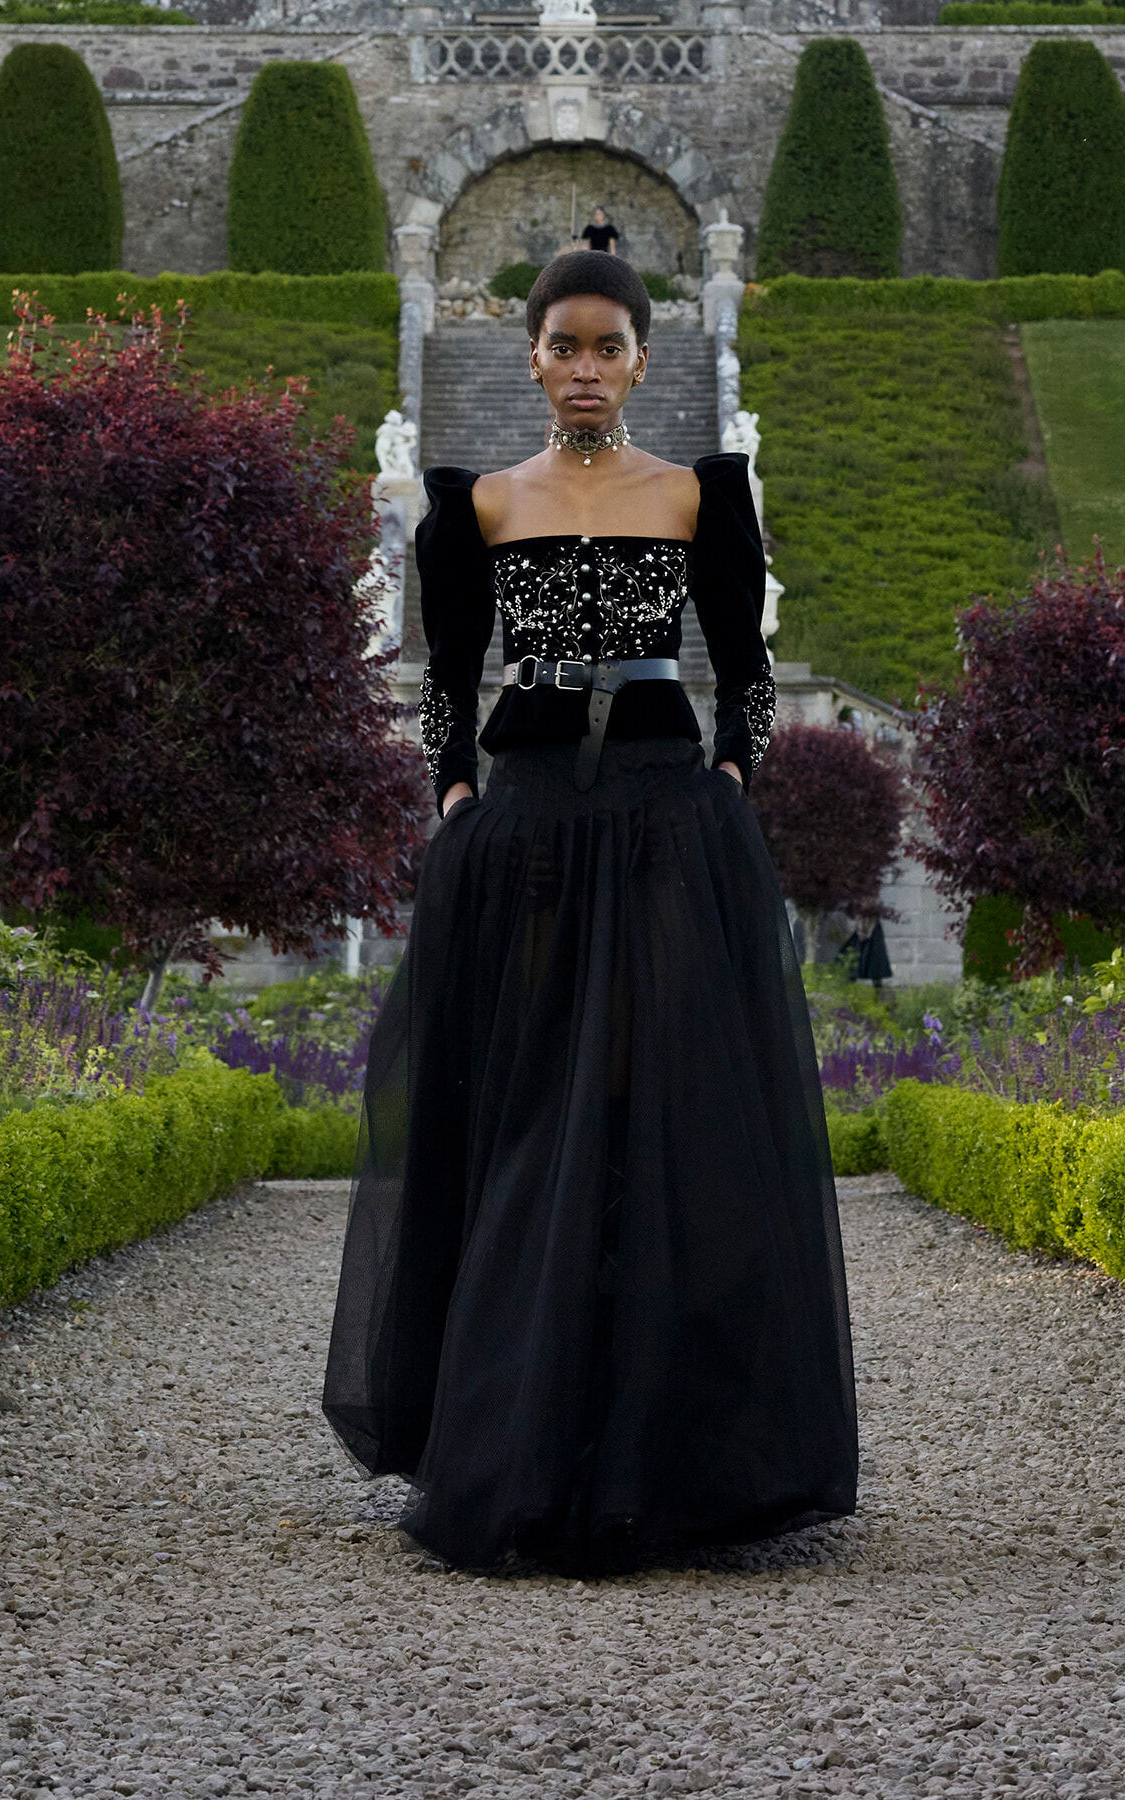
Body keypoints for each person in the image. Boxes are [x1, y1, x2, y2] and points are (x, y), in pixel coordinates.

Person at [323, 252, 858, 1575]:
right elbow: (448, 676)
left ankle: (668, 1460)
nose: (582, 367)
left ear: (638, 359)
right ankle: (519, 1446)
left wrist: (733, 779)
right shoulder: (481, 503)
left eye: (606, 347)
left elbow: (745, 667)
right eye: (561, 345)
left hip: (669, 827)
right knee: (528, 1117)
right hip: (532, 834)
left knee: (662, 1120)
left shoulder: (695, 492)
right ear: (532, 358)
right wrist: (453, 797)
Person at [839, 912, 893, 991]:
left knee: (870, 962)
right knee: (869, 962)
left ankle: (877, 992)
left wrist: (863, 932)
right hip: (869, 929)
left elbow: (869, 912)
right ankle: (850, 988)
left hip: (869, 930)